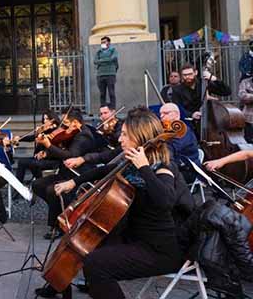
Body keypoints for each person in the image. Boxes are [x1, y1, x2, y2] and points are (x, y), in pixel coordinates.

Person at [41, 107, 186, 299]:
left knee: (95, 264)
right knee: (87, 243)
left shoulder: (163, 167)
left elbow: (166, 201)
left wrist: (144, 167)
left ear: (140, 136)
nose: (120, 139)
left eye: (125, 134)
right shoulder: (130, 165)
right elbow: (104, 170)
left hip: (158, 250)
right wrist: (72, 182)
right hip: (133, 238)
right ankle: (60, 285)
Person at [31, 108, 96, 238]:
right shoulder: (70, 133)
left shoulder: (84, 136)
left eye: (66, 122)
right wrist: (46, 153)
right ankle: (61, 210)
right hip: (64, 173)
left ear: (76, 123)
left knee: (52, 190)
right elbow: (61, 152)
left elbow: (70, 155)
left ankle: (56, 227)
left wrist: (49, 146)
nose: (63, 126)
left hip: (77, 176)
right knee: (37, 184)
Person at [65, 104, 122, 171]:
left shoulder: (120, 124)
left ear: (113, 112)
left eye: (105, 113)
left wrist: (109, 133)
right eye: (101, 114)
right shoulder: (101, 125)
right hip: (101, 152)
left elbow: (118, 139)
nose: (103, 116)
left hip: (114, 153)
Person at [14, 110, 60, 183]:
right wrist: (19, 138)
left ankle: (23, 184)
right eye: (44, 119)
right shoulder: (44, 131)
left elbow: (56, 149)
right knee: (24, 162)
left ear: (53, 119)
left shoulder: (57, 132)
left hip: (51, 160)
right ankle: (38, 182)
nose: (45, 121)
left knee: (24, 162)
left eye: (47, 119)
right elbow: (32, 138)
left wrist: (44, 153)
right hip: (40, 159)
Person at [159, 103, 200, 183]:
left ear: (177, 115)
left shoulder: (183, 131)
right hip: (175, 167)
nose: (161, 116)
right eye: (160, 113)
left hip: (187, 170)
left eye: (166, 113)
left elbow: (173, 150)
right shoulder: (166, 130)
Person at [94, 36, 118, 107]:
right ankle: (103, 110)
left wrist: (101, 61)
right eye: (101, 43)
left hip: (110, 74)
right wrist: (107, 59)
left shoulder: (113, 50)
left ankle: (113, 109)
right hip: (100, 75)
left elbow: (113, 58)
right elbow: (95, 61)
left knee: (111, 93)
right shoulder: (99, 52)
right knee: (102, 94)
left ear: (109, 43)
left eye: (104, 42)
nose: (103, 44)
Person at [238, 76, 253, 143]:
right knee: (249, 142)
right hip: (249, 119)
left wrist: (250, 95)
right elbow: (242, 96)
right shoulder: (245, 82)